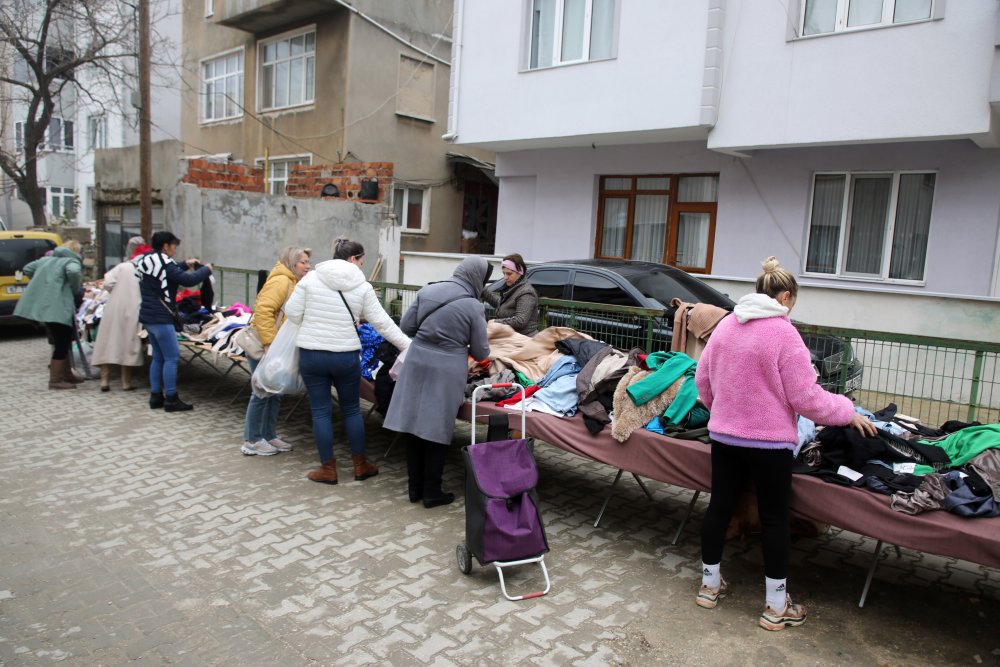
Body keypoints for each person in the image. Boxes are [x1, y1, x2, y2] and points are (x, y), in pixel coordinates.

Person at [693, 256, 876, 631]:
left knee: (719, 508)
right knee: (776, 520)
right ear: (786, 296)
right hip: (770, 443)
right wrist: (846, 410)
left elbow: (703, 379)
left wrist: (722, 413)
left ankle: (709, 587)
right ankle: (776, 606)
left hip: (725, 437)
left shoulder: (727, 325)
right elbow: (806, 398)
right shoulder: (784, 334)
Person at [284, 238, 410, 485]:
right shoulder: (361, 286)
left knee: (320, 411)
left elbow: (292, 313)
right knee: (352, 410)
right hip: (345, 356)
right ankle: (360, 465)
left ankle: (328, 469)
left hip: (312, 354)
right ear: (355, 260)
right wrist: (409, 346)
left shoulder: (311, 278)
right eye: (362, 261)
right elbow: (382, 323)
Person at [384, 256, 492, 508]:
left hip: (416, 361)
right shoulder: (473, 306)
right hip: (446, 369)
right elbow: (481, 351)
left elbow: (407, 326)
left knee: (413, 424)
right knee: (436, 429)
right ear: (477, 277)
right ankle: (432, 492)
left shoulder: (428, 289)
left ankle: (414, 488)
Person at [241, 246, 312, 456]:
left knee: (276, 391)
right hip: (267, 345)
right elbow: (263, 311)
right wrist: (269, 344)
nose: (308, 266)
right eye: (303, 262)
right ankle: (252, 439)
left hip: (279, 346)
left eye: (308, 262)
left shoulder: (294, 282)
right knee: (262, 390)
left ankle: (269, 434)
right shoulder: (281, 280)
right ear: (292, 263)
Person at [136, 231, 213, 412]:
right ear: (166, 246)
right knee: (172, 358)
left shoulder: (147, 259)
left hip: (147, 316)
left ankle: (156, 396)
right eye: (174, 245)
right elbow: (187, 281)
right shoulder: (164, 261)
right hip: (161, 316)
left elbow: (168, 273)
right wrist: (206, 269)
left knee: (158, 357)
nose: (175, 249)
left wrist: (185, 264)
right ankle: (171, 398)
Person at [14, 240, 84, 390]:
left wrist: (43, 282)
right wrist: (73, 288)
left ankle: (66, 374)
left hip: (47, 305)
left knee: (63, 340)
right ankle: (55, 380)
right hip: (59, 306)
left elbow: (27, 268)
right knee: (62, 341)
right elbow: (73, 272)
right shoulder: (72, 261)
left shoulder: (46, 260)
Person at [91, 236, 147, 392]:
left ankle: (104, 380)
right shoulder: (145, 270)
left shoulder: (122, 267)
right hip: (134, 309)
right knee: (127, 344)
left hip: (114, 308)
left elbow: (108, 283)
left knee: (108, 342)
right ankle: (126, 382)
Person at [480, 253, 538, 336]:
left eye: (509, 274)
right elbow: (502, 305)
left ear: (520, 272)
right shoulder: (514, 287)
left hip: (524, 340)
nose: (505, 277)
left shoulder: (526, 293)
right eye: (504, 273)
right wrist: (482, 289)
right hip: (512, 338)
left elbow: (520, 321)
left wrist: (495, 322)